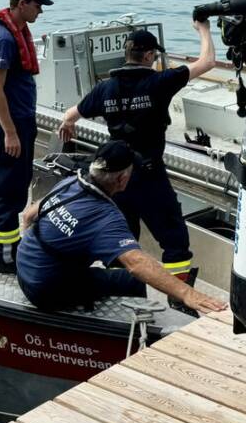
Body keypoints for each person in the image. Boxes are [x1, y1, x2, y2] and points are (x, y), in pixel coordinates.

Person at [56, 23, 215, 297]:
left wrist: (68, 127)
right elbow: (208, 62)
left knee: (122, 240)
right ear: (148, 56)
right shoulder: (159, 82)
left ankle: (122, 293)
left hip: (114, 179)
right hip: (148, 176)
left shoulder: (104, 89)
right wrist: (203, 29)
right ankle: (178, 297)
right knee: (174, 240)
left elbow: (70, 115)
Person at [16, 140, 226, 314]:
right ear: (122, 179)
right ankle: (126, 326)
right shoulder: (106, 216)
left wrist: (34, 253)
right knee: (129, 279)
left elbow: (28, 215)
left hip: (23, 269)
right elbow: (136, 263)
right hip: (44, 290)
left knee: (103, 271)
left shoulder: (70, 183)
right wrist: (189, 294)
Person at [0, 0, 50, 274]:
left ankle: (6, 243)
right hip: (10, 126)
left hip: (20, 121)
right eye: (37, 6)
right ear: (22, 3)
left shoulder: (17, 32)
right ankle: (5, 257)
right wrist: (10, 132)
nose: (40, 12)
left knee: (14, 185)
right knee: (9, 190)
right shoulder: (3, 39)